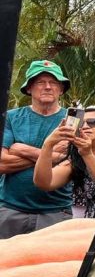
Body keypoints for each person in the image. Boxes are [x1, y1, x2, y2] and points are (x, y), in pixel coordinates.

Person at [0, 60, 74, 238]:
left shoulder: (72, 120)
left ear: (61, 89)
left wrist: (19, 148)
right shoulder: (10, 117)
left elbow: (70, 161)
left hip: (56, 212)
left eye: (54, 82)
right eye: (40, 82)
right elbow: (2, 163)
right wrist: (51, 154)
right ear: (29, 88)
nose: (47, 87)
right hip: (10, 210)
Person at [34, 105, 95, 218]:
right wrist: (48, 145)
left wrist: (87, 154)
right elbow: (44, 183)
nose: (85, 126)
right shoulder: (76, 159)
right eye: (80, 124)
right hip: (80, 226)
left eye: (92, 122)